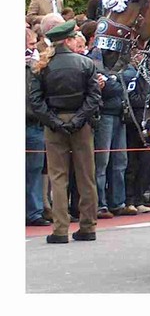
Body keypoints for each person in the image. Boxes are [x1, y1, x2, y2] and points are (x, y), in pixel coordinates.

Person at [28, 20, 103, 243]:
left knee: (58, 177)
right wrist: (79, 119)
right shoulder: (85, 63)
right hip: (81, 124)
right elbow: (94, 97)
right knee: (86, 176)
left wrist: (54, 122)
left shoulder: (42, 65)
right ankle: (88, 226)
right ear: (69, 39)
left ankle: (60, 229)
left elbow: (35, 100)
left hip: (54, 124)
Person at [86, 24, 128, 219]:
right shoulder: (93, 58)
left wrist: (114, 82)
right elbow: (110, 86)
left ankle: (118, 202)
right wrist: (114, 82)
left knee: (120, 160)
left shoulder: (120, 56)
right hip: (104, 114)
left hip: (120, 112)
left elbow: (124, 81)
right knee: (101, 162)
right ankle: (100, 203)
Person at [26, 26, 50, 227]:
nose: (33, 49)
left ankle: (34, 212)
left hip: (33, 123)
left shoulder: (36, 67)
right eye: (31, 44)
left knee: (34, 170)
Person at [122, 60, 150, 215]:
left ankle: (140, 198)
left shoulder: (148, 75)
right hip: (134, 121)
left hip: (146, 122)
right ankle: (130, 199)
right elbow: (131, 98)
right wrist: (149, 100)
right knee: (131, 163)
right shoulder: (131, 75)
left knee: (147, 162)